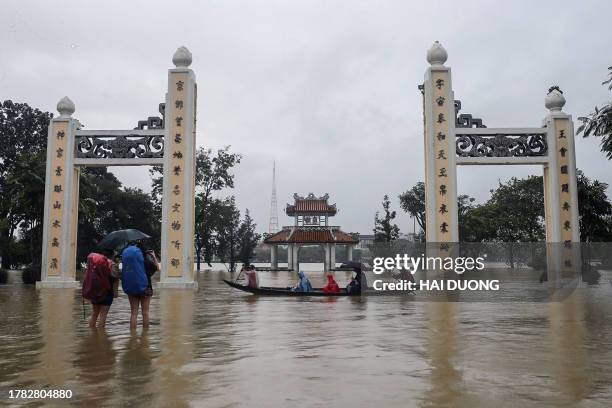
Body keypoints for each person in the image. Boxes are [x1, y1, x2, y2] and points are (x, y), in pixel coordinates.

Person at [122, 241, 158, 328]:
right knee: (145, 313)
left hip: (132, 288)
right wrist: (153, 256)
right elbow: (157, 268)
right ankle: (145, 337)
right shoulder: (146, 261)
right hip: (146, 288)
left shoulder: (130, 264)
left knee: (134, 313)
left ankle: (133, 336)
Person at [83, 249, 115, 328]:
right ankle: (101, 337)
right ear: (112, 255)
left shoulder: (95, 263)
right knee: (103, 315)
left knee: (94, 314)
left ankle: (92, 335)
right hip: (107, 292)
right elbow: (115, 276)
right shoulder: (111, 264)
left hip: (95, 292)